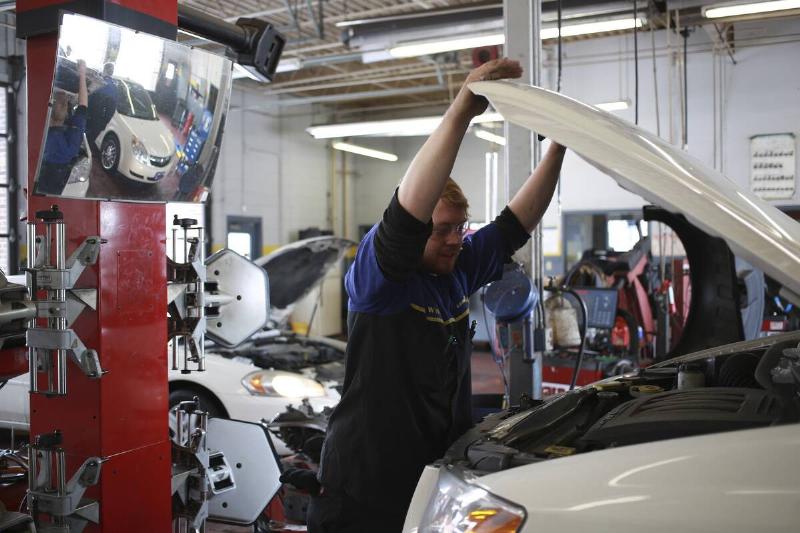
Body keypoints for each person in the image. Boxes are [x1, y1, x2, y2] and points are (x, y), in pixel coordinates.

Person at [307, 58, 567, 532]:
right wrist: (463, 109)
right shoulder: (381, 281)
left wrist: (559, 146)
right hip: (365, 487)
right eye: (442, 229)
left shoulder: (456, 271)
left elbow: (516, 223)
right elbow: (406, 217)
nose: (455, 240)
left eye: (460, 228)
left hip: (429, 474)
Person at [38, 59, 88, 195]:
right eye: (65, 103)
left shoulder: (36, 134)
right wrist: (82, 74)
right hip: (52, 191)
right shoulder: (70, 146)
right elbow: (83, 106)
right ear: (66, 113)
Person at [86, 62, 118, 150]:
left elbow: (88, 98)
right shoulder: (114, 88)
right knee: (89, 142)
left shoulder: (98, 83)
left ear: (104, 70)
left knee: (82, 140)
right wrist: (103, 124)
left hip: (88, 118)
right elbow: (112, 110)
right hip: (99, 122)